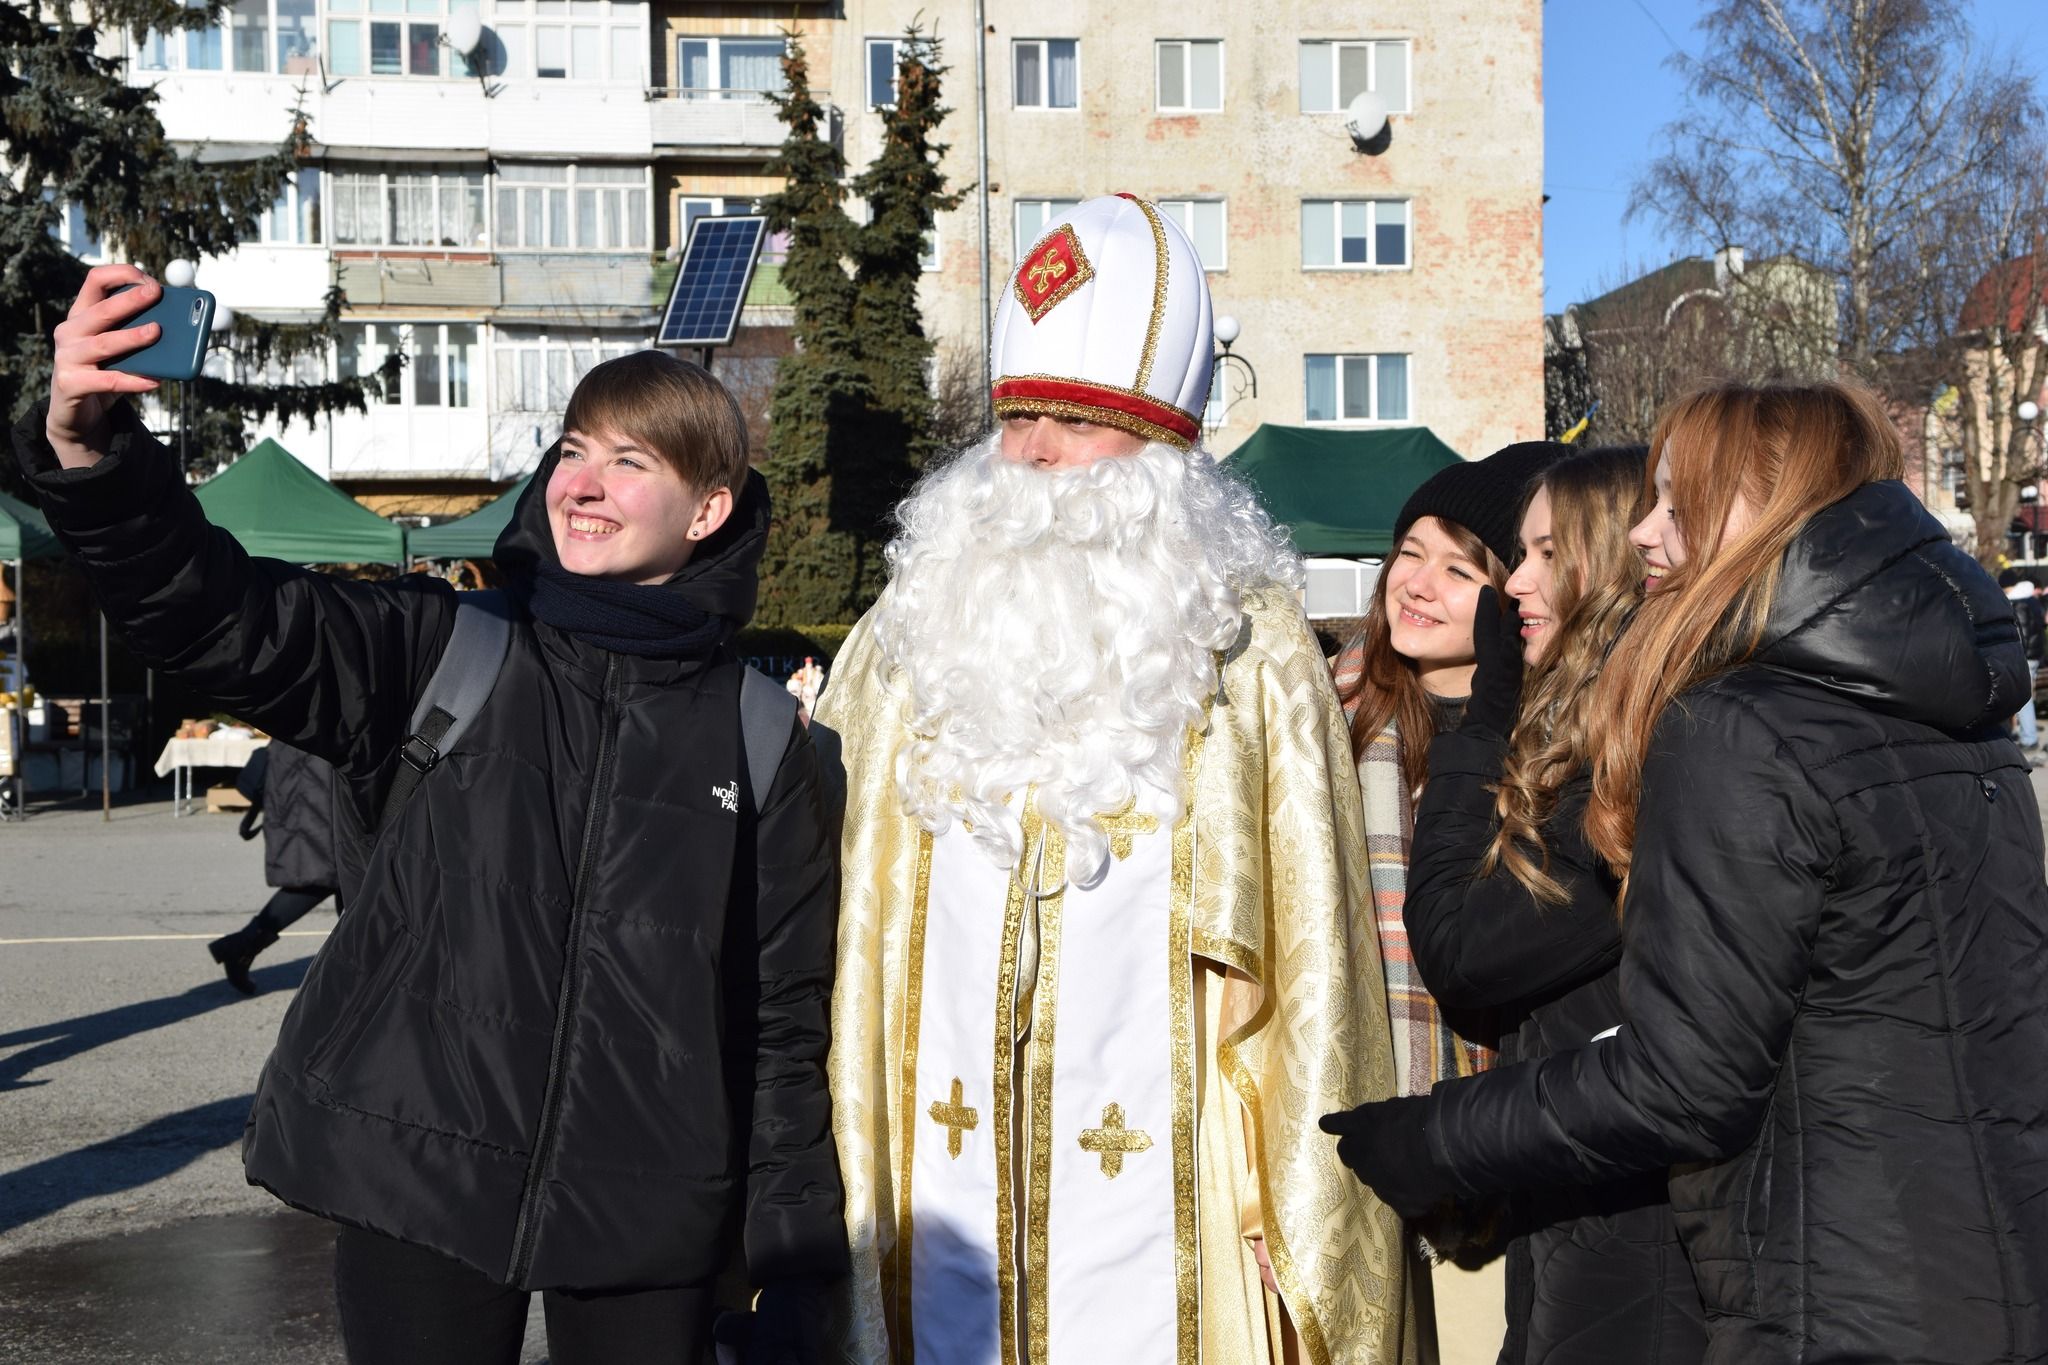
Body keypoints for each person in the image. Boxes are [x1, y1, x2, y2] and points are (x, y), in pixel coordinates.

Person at [17, 264, 845, 1365]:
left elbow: (781, 1028)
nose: (581, 485)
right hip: (419, 1170)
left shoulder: (764, 738)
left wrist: (792, 1269)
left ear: (708, 508)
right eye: (571, 451)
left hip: (652, 1203)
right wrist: (94, 458)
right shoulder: (445, 646)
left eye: (629, 462)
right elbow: (226, 619)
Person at [1323, 380, 2048, 1364]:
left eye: (1674, 504)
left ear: (1763, 505)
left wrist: (1426, 1139)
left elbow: (1681, 1075)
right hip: (1967, 1259)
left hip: (1814, 1288)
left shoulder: (1735, 722)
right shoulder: (1958, 713)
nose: (1645, 536)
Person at [813, 194, 1410, 1364]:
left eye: (1075, 424)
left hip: (1177, 1208)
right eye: (1019, 415)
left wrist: (1289, 1211)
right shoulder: (907, 635)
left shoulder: (1251, 649)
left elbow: (1316, 976)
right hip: (929, 1185)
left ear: (1162, 454)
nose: (1031, 455)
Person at [1399, 445, 1707, 1365]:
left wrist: (1485, 720)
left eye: (1541, 554)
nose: (1515, 583)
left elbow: (1458, 949)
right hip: (1577, 1204)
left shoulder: (1633, 762)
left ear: (1608, 571)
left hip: (1631, 1223)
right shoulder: (1589, 735)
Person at [1327, 438, 1568, 1364]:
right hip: (1350, 1144)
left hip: (1509, 1167)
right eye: (1410, 551)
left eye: (1459, 566)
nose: (1416, 583)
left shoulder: (1554, 748)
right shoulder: (1323, 717)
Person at [208, 740, 343, 995]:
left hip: (311, 768)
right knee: (338, 871)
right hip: (318, 771)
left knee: (336, 873)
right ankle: (367, 973)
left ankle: (243, 946)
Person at [1999, 568, 2043, 757]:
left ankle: (2028, 738)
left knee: (2024, 699)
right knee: (2026, 697)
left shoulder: (2018, 603)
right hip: (2035, 654)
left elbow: (2021, 634)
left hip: (2026, 655)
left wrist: (2016, 655)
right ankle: (2027, 735)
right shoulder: (2030, 599)